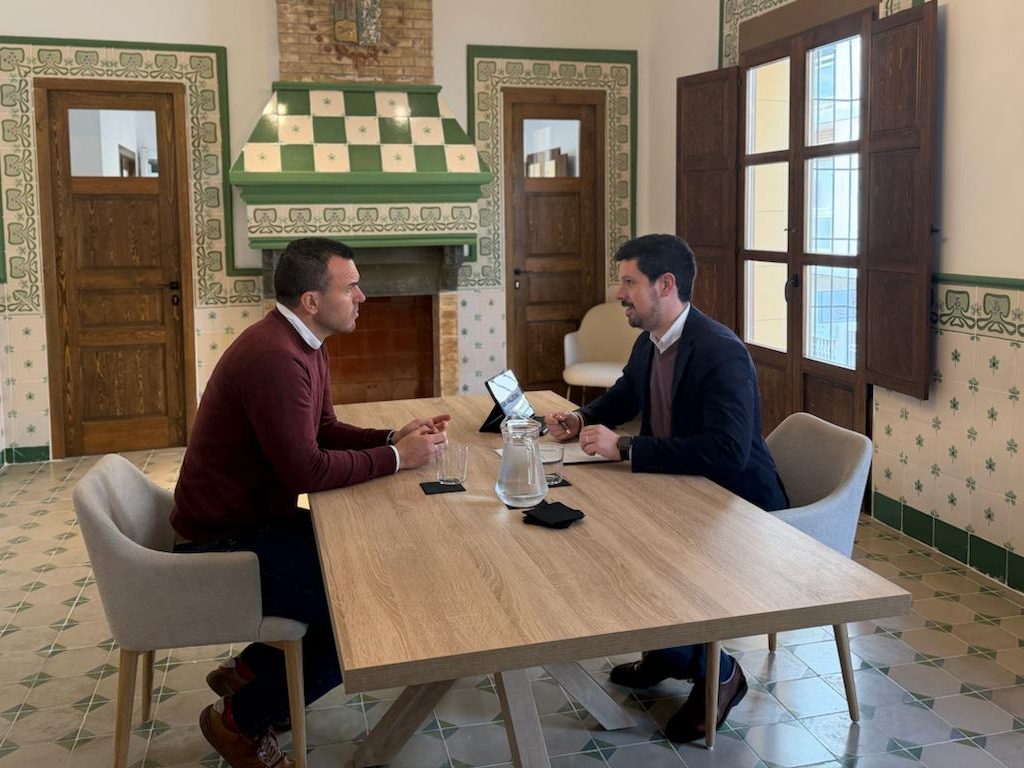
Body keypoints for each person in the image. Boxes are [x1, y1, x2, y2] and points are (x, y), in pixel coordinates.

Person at [171, 237, 449, 768]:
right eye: (352, 287)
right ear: (312, 301)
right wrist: (398, 458)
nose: (363, 297)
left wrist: (392, 436)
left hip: (252, 521)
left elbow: (322, 430)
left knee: (367, 565)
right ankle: (239, 720)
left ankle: (250, 672)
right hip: (224, 540)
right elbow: (306, 470)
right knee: (363, 610)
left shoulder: (301, 342)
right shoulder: (275, 358)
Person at [545, 233, 788, 744]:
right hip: (680, 489)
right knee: (605, 538)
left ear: (666, 285)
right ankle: (667, 653)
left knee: (635, 555)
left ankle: (721, 673)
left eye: (629, 282)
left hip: (738, 506)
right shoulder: (650, 341)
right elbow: (625, 396)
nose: (619, 293)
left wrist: (626, 448)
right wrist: (580, 418)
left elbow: (728, 452)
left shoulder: (720, 352)